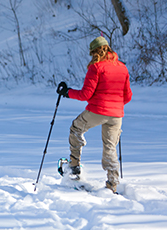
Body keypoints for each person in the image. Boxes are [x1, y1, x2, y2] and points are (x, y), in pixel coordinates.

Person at [57, 36, 132, 193]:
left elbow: (86, 94)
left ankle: (74, 167)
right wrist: (115, 106)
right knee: (110, 147)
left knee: (76, 128)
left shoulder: (96, 68)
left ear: (94, 52)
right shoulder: (122, 68)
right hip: (117, 114)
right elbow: (128, 97)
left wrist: (67, 93)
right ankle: (112, 184)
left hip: (98, 110)